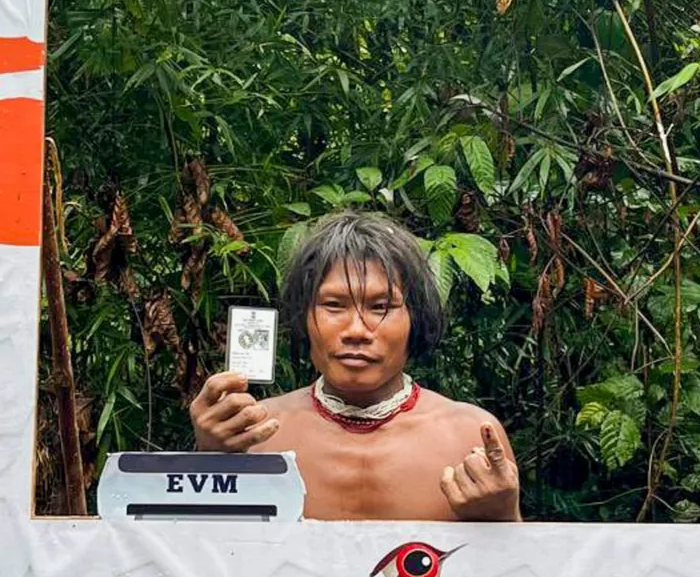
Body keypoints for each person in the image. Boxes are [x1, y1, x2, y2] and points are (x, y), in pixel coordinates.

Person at [190, 211, 521, 522]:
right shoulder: (251, 434)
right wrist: (208, 460)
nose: (357, 331)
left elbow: (520, 574)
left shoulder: (469, 436)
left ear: (415, 319)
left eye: (381, 306)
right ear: (304, 317)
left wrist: (502, 515)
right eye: (334, 305)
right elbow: (205, 564)